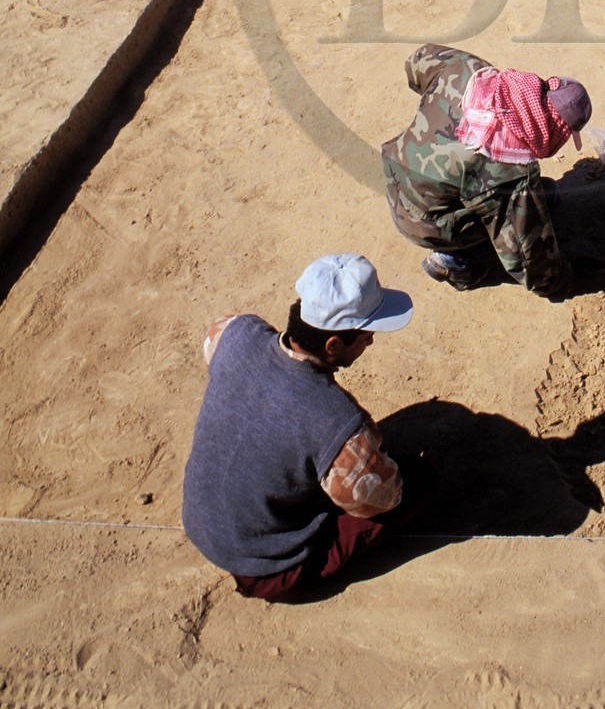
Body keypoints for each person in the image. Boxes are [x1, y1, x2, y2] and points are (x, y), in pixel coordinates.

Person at [182, 253, 433, 603]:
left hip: (198, 522)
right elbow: (379, 499)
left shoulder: (236, 333)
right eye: (364, 336)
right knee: (420, 480)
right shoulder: (337, 420)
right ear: (333, 345)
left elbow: (212, 345)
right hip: (268, 570)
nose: (370, 341)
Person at [382, 43, 591, 297]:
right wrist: (563, 282)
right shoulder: (512, 173)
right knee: (535, 205)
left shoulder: (471, 71)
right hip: (418, 221)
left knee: (541, 195)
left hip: (395, 174)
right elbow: (528, 258)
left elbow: (418, 59)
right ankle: (453, 259)